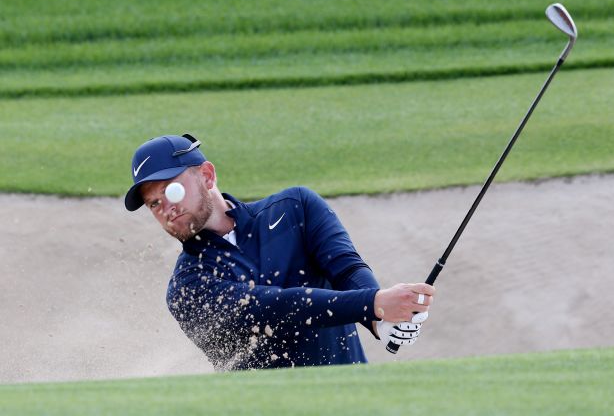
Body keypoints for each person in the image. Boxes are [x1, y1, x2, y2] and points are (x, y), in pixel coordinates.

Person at [125, 134, 435, 370]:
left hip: (352, 398)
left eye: (171, 190)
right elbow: (275, 308)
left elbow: (347, 269)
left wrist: (379, 320)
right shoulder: (187, 286)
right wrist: (373, 304)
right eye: (154, 204)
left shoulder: (295, 208)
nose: (165, 208)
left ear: (207, 176)